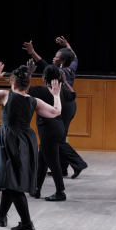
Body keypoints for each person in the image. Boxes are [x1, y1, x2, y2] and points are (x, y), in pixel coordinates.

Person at [0, 62, 61, 230]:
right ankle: (1, 216)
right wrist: (56, 95)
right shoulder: (34, 101)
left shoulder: (6, 95)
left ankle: (26, 223)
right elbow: (55, 112)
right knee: (11, 179)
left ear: (13, 84)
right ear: (28, 85)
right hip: (26, 140)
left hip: (10, 141)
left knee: (12, 182)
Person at [22, 36, 87, 178]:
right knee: (59, 138)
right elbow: (74, 57)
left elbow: (43, 63)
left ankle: (78, 163)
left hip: (63, 105)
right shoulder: (70, 68)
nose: (53, 58)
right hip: (69, 103)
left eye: (57, 57)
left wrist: (32, 52)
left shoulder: (58, 72)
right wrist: (68, 45)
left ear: (62, 61)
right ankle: (62, 169)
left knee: (56, 139)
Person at [26, 62, 77, 201]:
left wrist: (29, 73)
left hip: (48, 129)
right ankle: (36, 189)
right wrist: (65, 82)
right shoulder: (62, 91)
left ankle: (60, 192)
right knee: (42, 159)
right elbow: (73, 95)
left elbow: (23, 89)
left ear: (44, 78)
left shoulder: (40, 91)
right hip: (57, 128)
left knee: (53, 161)